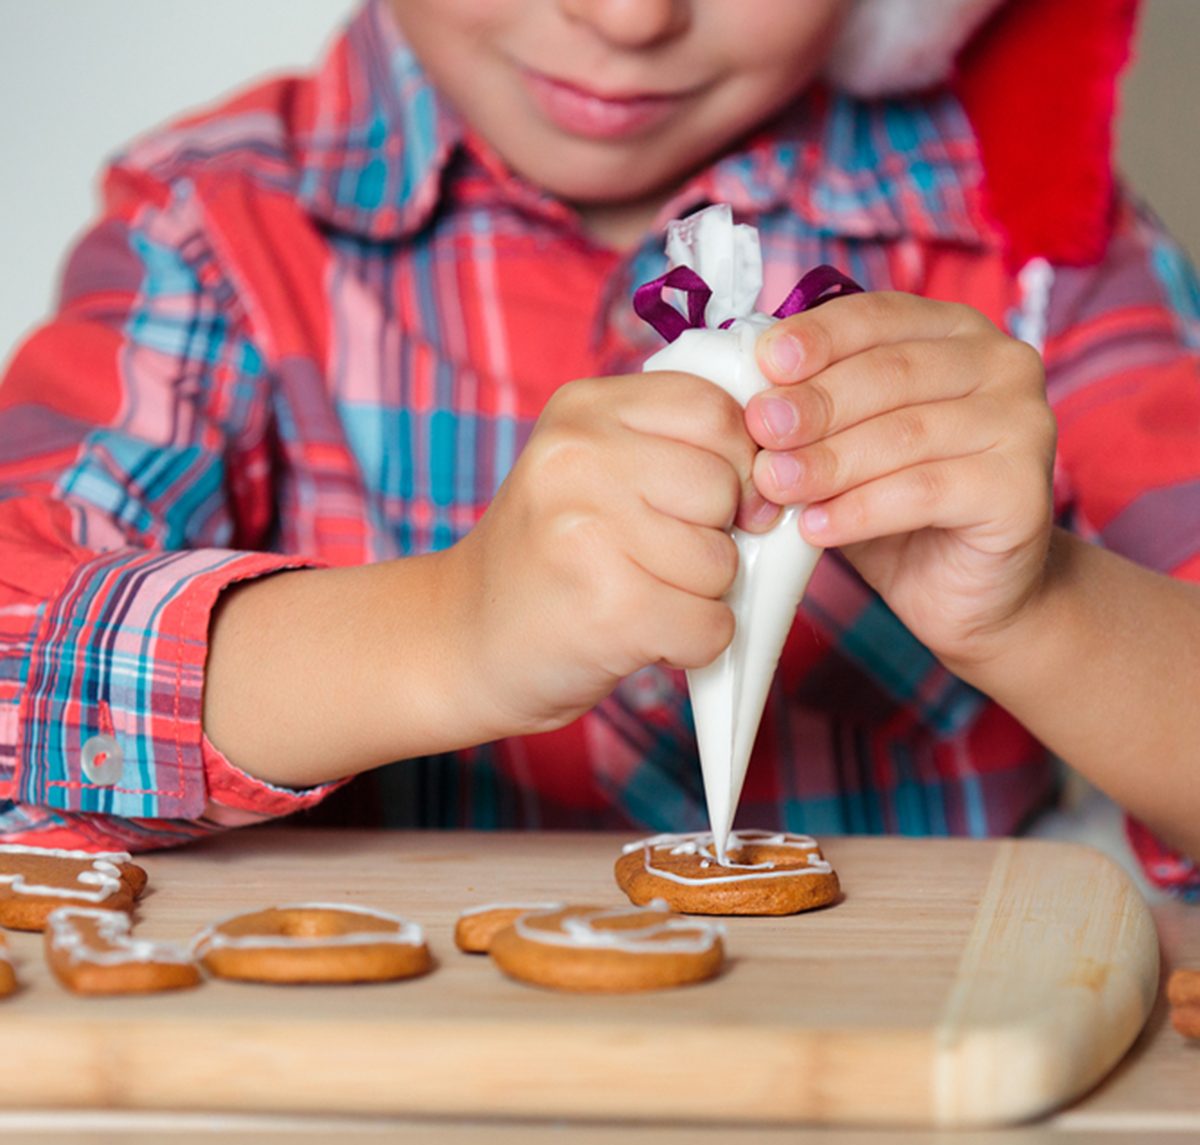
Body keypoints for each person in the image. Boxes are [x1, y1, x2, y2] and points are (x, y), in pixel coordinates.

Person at [0, 0, 1197, 898]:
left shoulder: (1045, 253)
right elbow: (19, 664)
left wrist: (1041, 612)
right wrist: (445, 631)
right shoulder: (209, 231)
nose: (629, 18)